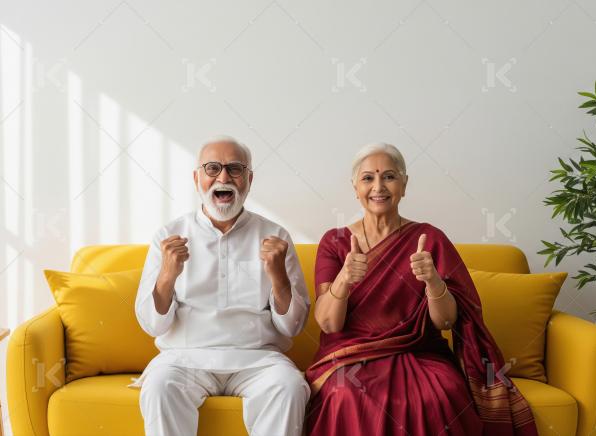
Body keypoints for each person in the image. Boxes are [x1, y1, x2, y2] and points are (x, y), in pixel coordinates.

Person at [306, 143, 538, 436]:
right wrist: (344, 278)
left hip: (419, 352)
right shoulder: (335, 241)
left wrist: (433, 281)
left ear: (404, 185)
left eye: (389, 176)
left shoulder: (429, 239)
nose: (378, 187)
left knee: (443, 392)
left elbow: (446, 321)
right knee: (345, 394)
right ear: (355, 187)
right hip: (350, 356)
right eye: (368, 178)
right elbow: (329, 323)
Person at [132, 135, 311, 436]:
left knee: (289, 386)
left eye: (235, 169)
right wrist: (167, 276)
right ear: (197, 179)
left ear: (249, 180)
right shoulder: (168, 236)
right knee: (160, 386)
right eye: (212, 168)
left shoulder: (275, 236)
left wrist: (278, 275)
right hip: (184, 358)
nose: (223, 178)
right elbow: (152, 325)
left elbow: (292, 327)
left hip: (258, 360)